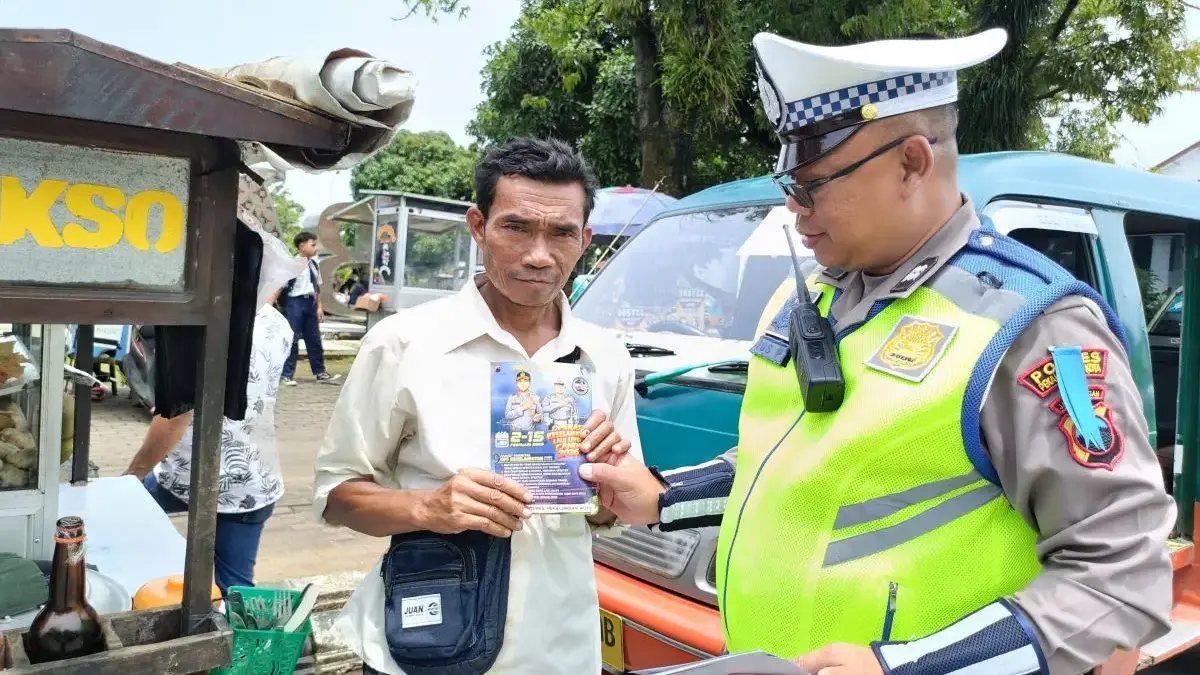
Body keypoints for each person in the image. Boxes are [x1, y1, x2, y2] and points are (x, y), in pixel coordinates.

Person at [580, 28, 1175, 675]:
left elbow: (1120, 569)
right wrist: (665, 495)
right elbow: (794, 462)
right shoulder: (820, 295)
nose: (792, 205)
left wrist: (910, 666)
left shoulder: (1032, 326)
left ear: (912, 162)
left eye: (811, 183)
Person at [311, 138, 643, 675]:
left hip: (560, 651)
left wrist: (606, 487)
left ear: (584, 239)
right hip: (425, 650)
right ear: (478, 226)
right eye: (516, 227)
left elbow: (610, 512)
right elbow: (336, 495)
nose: (539, 255)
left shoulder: (604, 356)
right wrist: (428, 508)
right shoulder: (404, 343)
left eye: (561, 233)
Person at [125, 216, 303, 595]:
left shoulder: (199, 324)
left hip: (194, 476)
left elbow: (174, 417)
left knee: (120, 529)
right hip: (255, 480)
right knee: (235, 587)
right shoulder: (280, 327)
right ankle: (240, 645)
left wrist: (131, 477)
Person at [280, 231, 340, 386]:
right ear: (302, 246)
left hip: (310, 303)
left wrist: (319, 307)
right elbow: (281, 286)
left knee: (314, 338)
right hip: (295, 303)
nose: (315, 248)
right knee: (292, 339)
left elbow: (316, 288)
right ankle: (286, 374)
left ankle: (320, 372)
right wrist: (270, 303)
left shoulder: (314, 264)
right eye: (312, 245)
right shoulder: (292, 264)